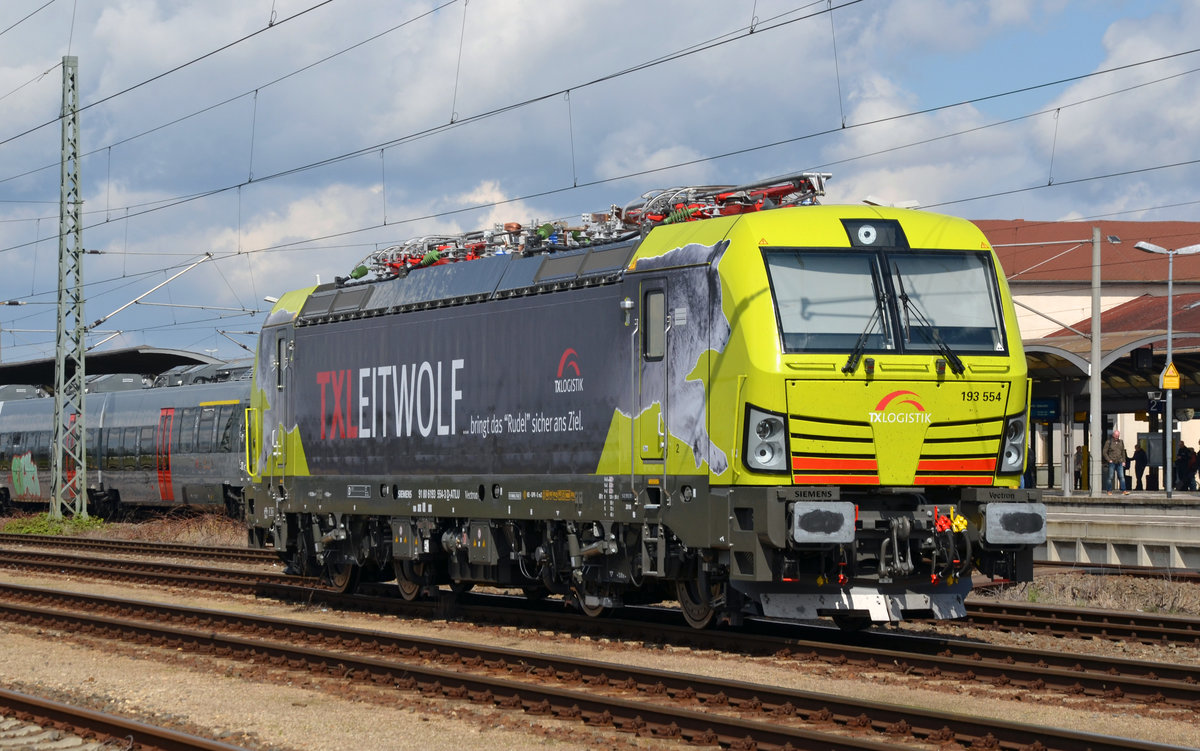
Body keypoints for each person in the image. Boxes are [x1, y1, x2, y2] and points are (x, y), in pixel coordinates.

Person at [1102, 429, 1127, 495]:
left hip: (1120, 461)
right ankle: (1109, 490)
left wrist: (1124, 461)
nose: (1117, 436)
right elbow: (1104, 452)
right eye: (1116, 435)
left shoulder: (1121, 442)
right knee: (1110, 477)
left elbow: (1123, 452)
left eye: (1118, 435)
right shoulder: (1109, 442)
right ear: (1113, 435)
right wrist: (1109, 460)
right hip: (1112, 462)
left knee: (1122, 476)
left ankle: (1124, 490)